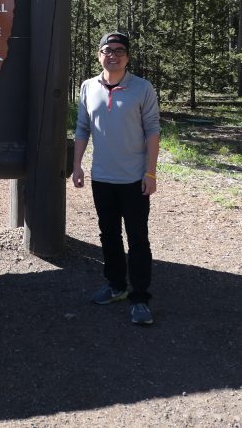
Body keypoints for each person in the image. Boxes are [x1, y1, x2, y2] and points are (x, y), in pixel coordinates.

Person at [71, 31, 160, 325]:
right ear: (99, 55)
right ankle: (116, 286)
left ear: (128, 57)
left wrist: (150, 172)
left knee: (137, 238)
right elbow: (82, 128)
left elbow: (152, 131)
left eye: (120, 50)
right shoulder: (87, 87)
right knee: (108, 235)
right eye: (108, 50)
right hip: (103, 178)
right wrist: (77, 165)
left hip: (135, 179)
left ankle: (140, 299)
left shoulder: (142, 88)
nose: (114, 55)